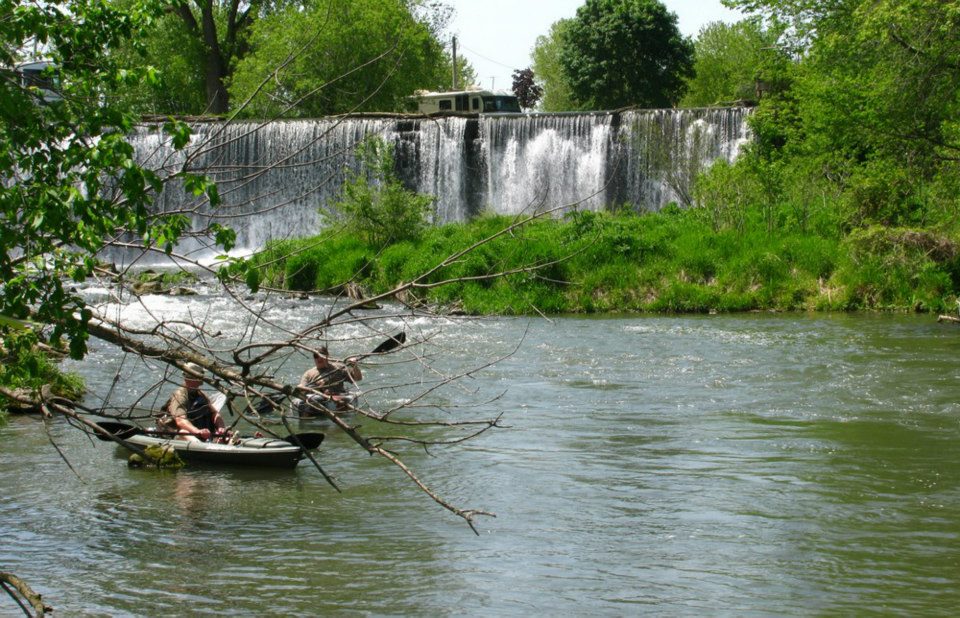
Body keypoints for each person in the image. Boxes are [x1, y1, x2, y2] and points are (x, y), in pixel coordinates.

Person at [157, 363, 229, 441]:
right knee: (184, 432)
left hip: (199, 433)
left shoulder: (200, 394)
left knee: (226, 436)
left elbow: (214, 413)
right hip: (176, 433)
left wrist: (221, 427)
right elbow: (180, 420)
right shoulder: (180, 396)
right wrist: (197, 431)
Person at [297, 346, 362, 416]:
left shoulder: (339, 368)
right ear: (314, 358)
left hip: (338, 397)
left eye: (322, 355)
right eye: (316, 356)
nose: (319, 358)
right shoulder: (308, 373)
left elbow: (357, 378)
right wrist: (302, 387)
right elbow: (302, 389)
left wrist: (354, 366)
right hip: (318, 400)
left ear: (327, 356)